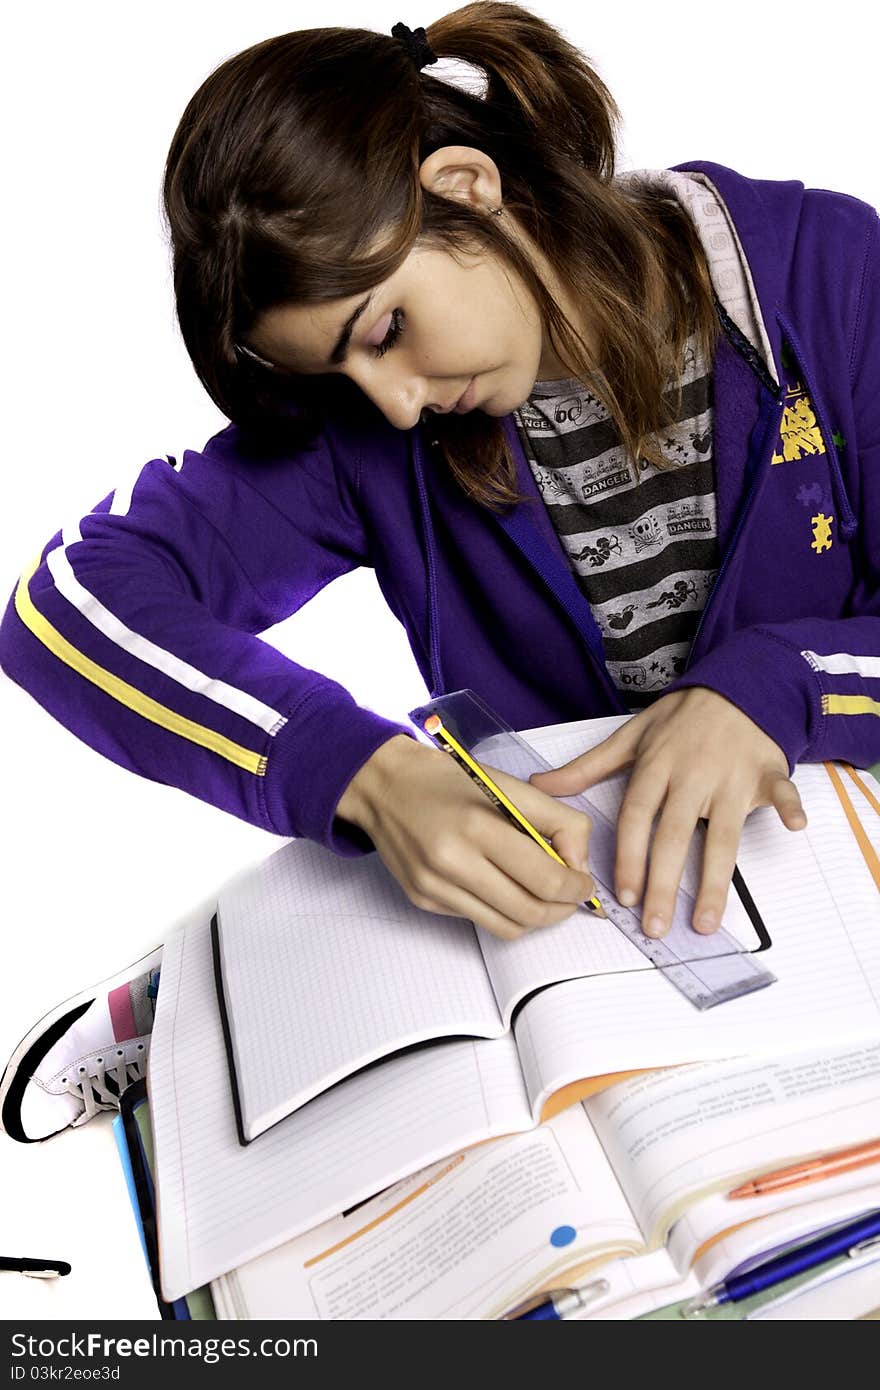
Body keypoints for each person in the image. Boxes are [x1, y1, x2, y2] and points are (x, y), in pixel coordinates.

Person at [2, 4, 879, 1140]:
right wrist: (360, 771)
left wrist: (783, 685)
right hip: (566, 930)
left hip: (829, 876)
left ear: (466, 186)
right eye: (346, 373)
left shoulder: (824, 279)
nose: (397, 404)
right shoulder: (369, 430)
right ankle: (222, 1014)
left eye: (385, 330)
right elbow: (64, 610)